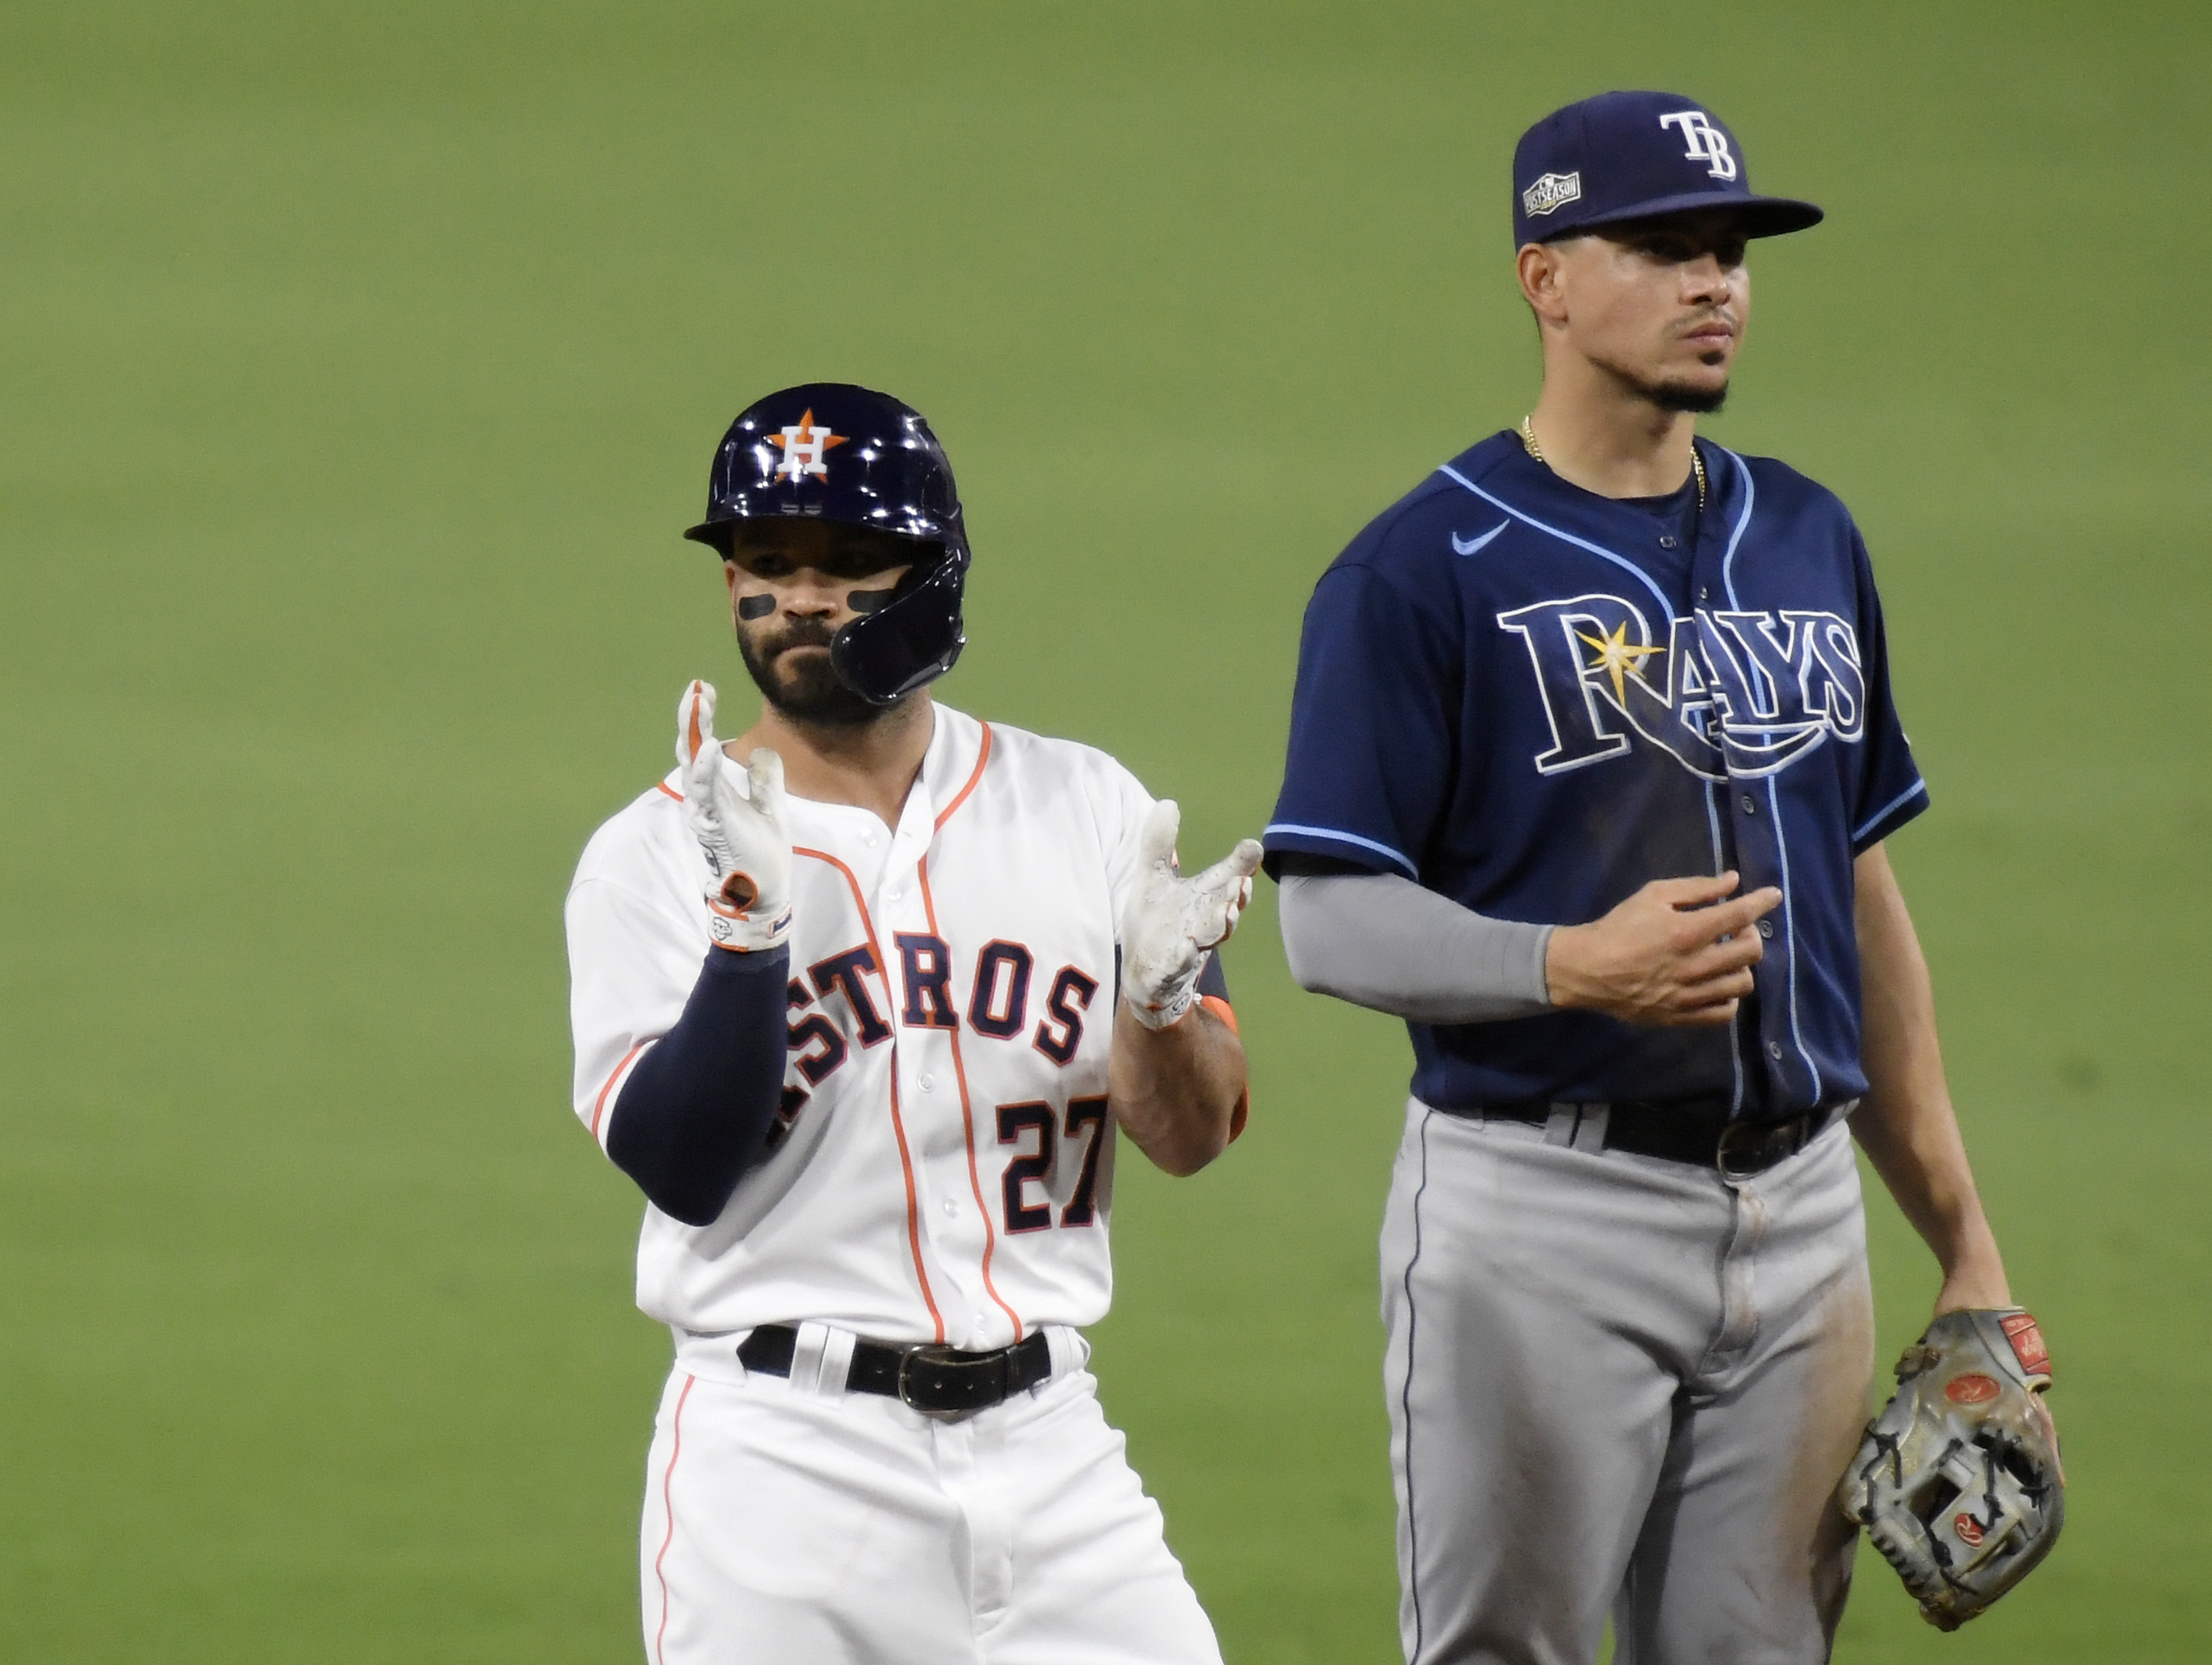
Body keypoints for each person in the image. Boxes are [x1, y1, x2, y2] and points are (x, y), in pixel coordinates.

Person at [1264, 93, 2040, 1663]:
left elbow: (1858, 896)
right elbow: (1324, 917)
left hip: (1804, 1204)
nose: (1716, 284)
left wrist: (1960, 1236)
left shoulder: (1806, 535)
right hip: (1541, 1207)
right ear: (1543, 277)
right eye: (1665, 249)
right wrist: (1569, 965)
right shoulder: (1420, 570)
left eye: (1731, 252)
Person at [564, 382, 1261, 1664]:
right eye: (766, 565)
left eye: (848, 563)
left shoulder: (1081, 805)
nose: (803, 599)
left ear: (933, 580)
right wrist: (747, 938)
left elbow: (1194, 1132)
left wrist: (1162, 1004)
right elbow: (683, 1166)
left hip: (1056, 1461)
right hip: (784, 1475)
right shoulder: (654, 852)